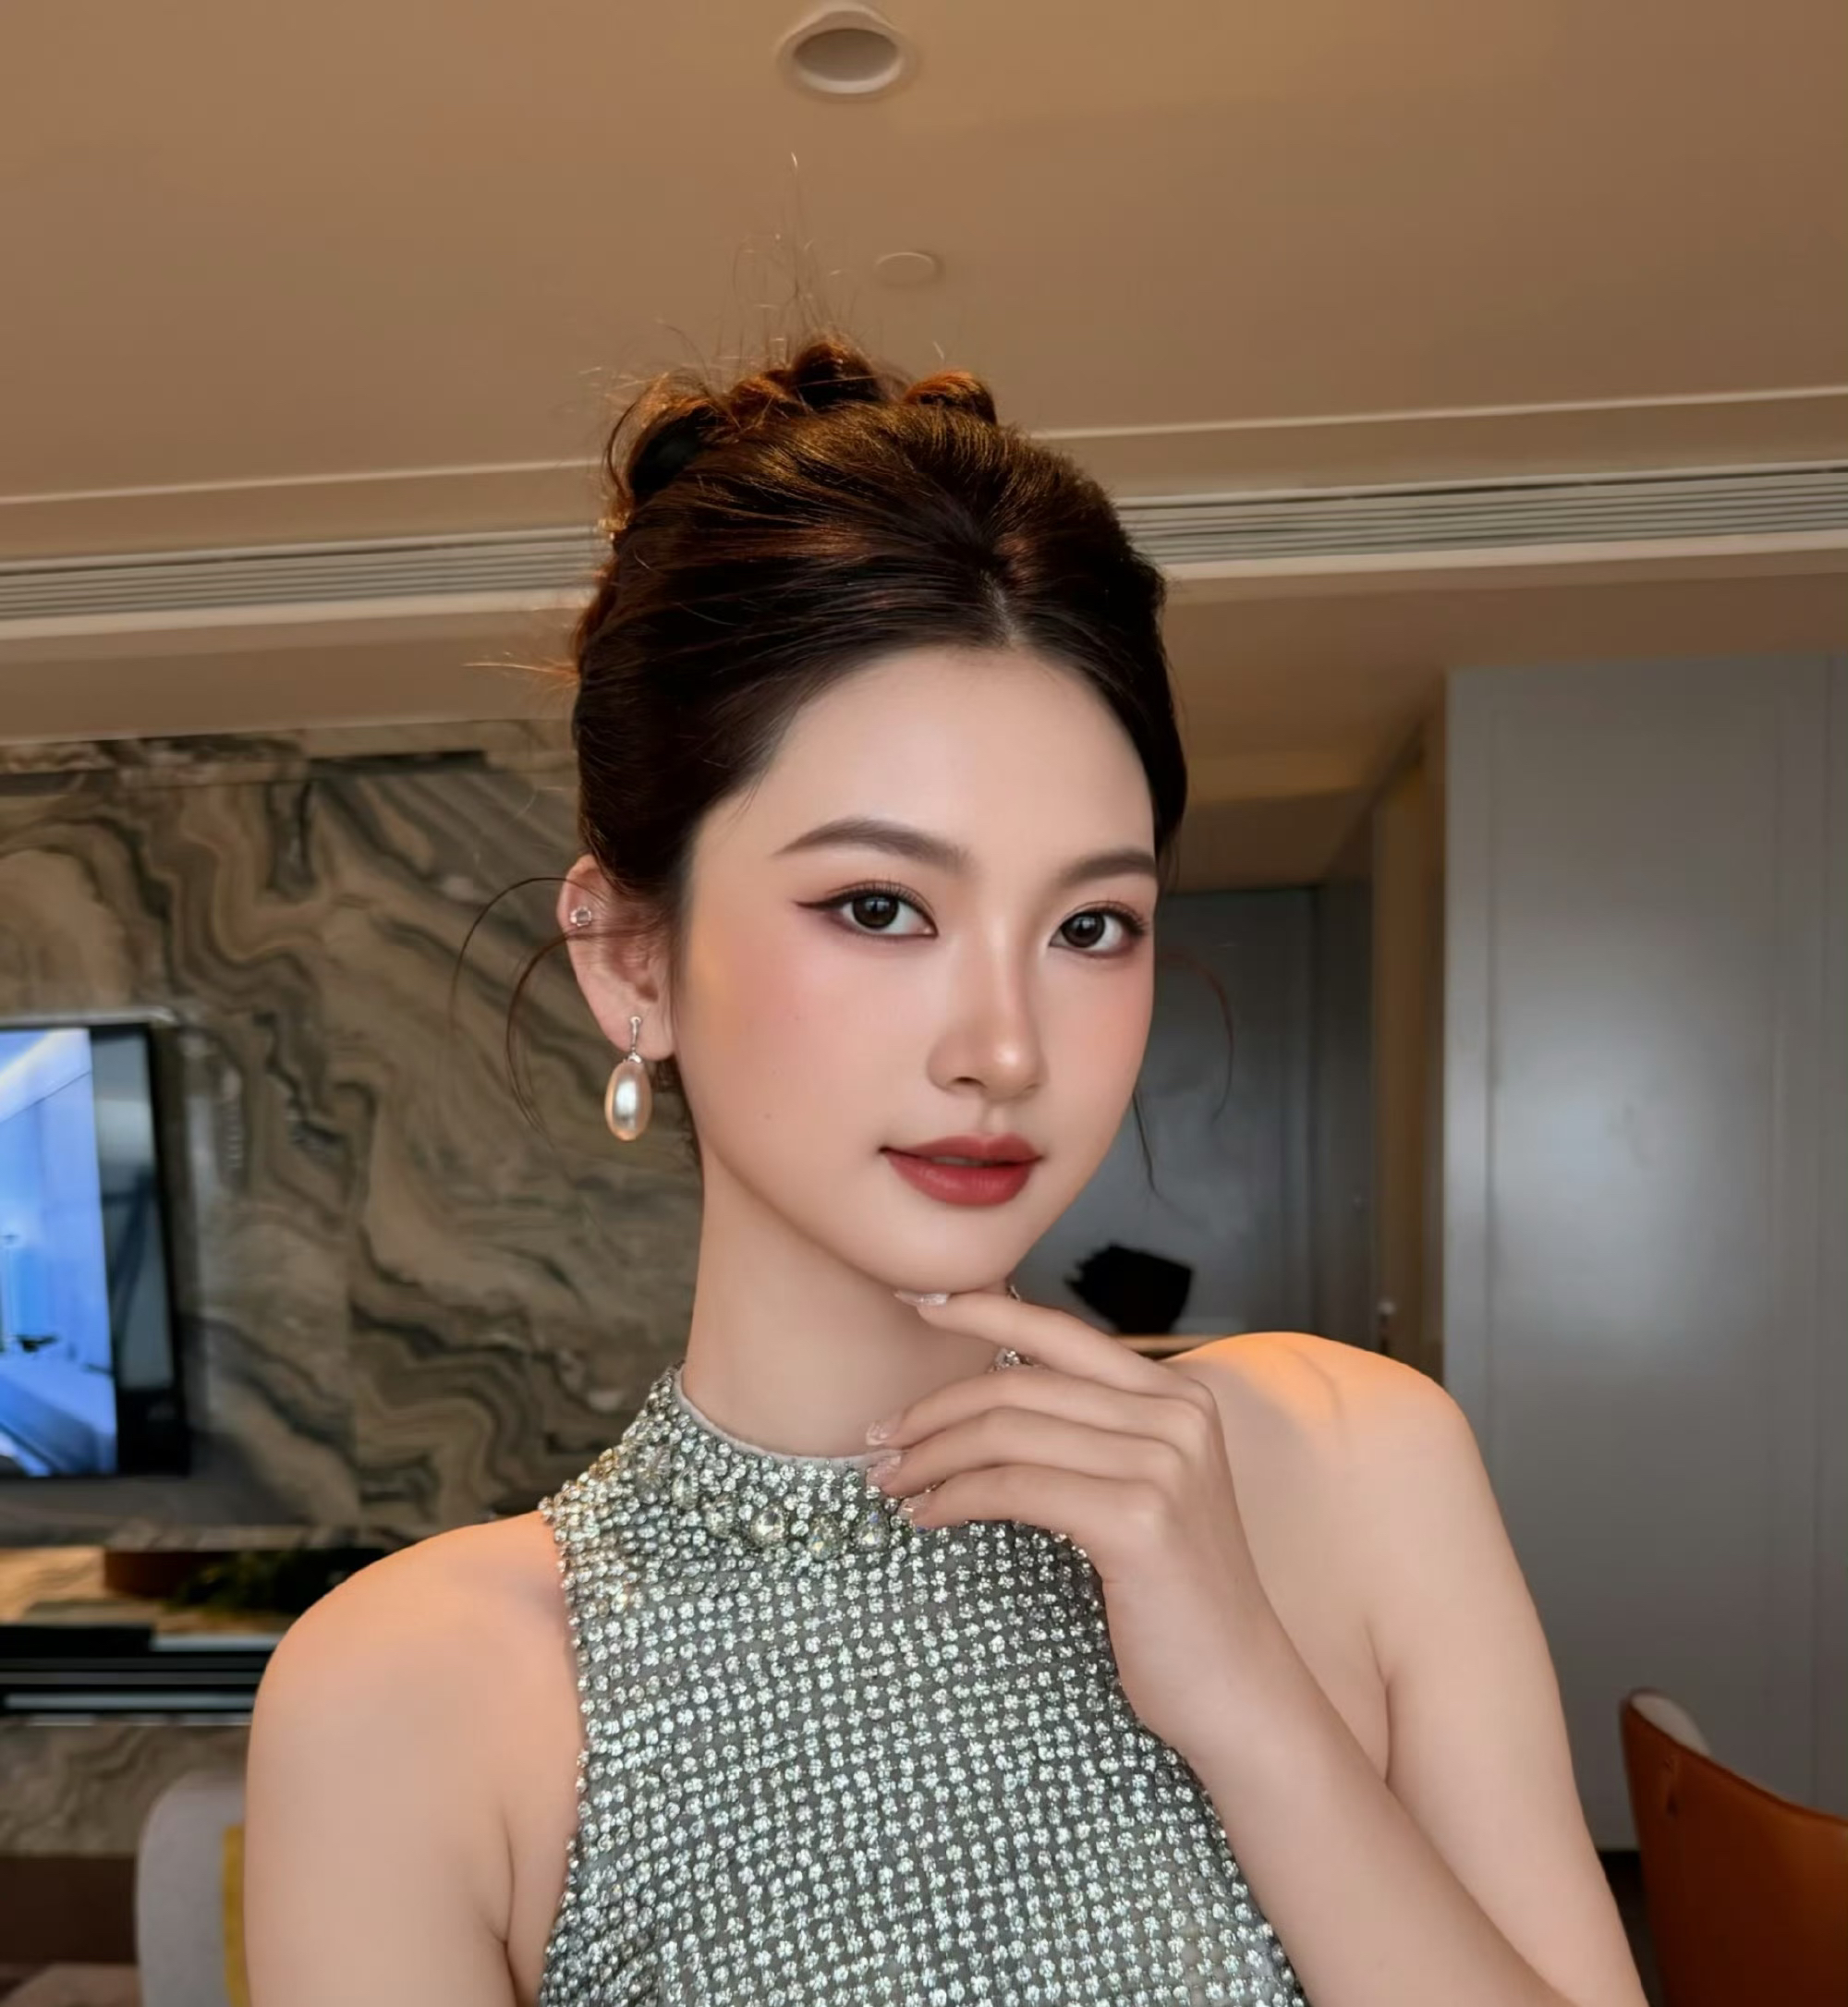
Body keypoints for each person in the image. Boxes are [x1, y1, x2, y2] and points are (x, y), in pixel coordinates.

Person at [242, 331, 1649, 2007]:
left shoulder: (1354, 1459)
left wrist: (1252, 1702)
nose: (1007, 1047)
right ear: (631, 958)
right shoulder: (408, 1692)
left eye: (1090, 926)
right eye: (880, 906)